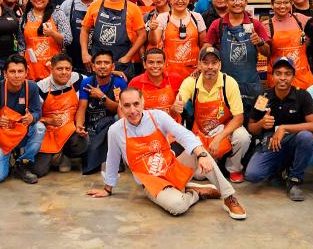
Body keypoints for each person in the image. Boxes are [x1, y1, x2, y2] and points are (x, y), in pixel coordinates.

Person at [86, 87, 247, 220]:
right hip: (151, 182)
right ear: (120, 106)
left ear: (143, 102)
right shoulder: (116, 130)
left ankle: (228, 197)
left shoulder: (158, 116)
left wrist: (201, 155)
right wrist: (107, 189)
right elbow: (112, 159)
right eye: (127, 106)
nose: (133, 110)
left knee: (199, 149)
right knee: (178, 206)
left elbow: (184, 134)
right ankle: (195, 193)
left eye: (136, 104)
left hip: (172, 167)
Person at [244, 57, 313, 201]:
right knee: (252, 175)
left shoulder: (302, 95)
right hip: (270, 143)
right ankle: (279, 170)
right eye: (278, 73)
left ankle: (295, 180)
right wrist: (261, 124)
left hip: (293, 140)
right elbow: (251, 127)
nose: (282, 78)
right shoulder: (264, 98)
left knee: (306, 137)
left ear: (293, 76)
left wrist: (283, 128)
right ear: (273, 76)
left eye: (287, 73)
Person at [174, 45, 251, 183]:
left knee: (243, 137)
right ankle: (215, 163)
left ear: (220, 65)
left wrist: (219, 138)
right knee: (199, 175)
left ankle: (233, 168)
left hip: (224, 132)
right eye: (205, 62)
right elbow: (177, 105)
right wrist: (176, 107)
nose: (210, 67)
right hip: (202, 134)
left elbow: (239, 118)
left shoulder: (229, 83)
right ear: (199, 65)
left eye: (214, 63)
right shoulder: (191, 82)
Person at [205, 0, 271, 108]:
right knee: (227, 120)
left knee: (258, 116)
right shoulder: (218, 24)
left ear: (246, 2)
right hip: (224, 85)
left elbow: (268, 52)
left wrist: (260, 42)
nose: (237, 2)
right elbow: (206, 48)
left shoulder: (255, 24)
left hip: (252, 86)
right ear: (227, 2)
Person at [0, 54, 45, 184]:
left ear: (26, 72)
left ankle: (22, 163)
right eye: (12, 71)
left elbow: (37, 112)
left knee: (40, 127)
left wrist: (32, 117)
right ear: (5, 73)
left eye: (20, 71)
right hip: (3, 137)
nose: (16, 75)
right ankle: (8, 156)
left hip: (22, 133)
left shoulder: (31, 87)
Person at [80, 0, 147, 78]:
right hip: (98, 62)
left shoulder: (133, 8)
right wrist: (84, 53)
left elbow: (142, 35)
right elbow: (84, 29)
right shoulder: (95, 5)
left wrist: (128, 57)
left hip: (122, 63)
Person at [75, 50, 128, 174]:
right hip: (92, 123)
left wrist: (102, 97)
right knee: (90, 163)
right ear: (93, 67)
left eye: (106, 63)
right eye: (99, 63)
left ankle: (117, 158)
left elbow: (120, 109)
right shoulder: (87, 82)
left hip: (110, 123)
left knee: (117, 120)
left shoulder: (119, 82)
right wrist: (79, 126)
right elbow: (82, 108)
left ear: (113, 66)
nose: (103, 66)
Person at [35, 53, 87, 176]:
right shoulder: (41, 87)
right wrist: (49, 120)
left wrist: (114, 73)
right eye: (59, 69)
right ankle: (54, 155)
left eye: (67, 69)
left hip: (69, 129)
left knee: (83, 141)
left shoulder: (77, 78)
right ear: (51, 69)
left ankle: (65, 156)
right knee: (39, 171)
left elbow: (97, 79)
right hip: (48, 132)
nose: (64, 72)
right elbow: (33, 116)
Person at [149, 0, 207, 88]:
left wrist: (201, 65)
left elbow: (204, 45)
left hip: (194, 73)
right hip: (169, 73)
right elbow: (154, 41)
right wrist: (152, 30)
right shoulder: (162, 18)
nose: (180, 0)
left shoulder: (197, 17)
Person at [21, 0, 71, 81]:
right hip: (31, 69)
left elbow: (68, 40)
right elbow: (21, 44)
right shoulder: (25, 16)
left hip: (53, 68)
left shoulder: (57, 14)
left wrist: (52, 33)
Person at [267, 0, 313, 89]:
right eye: (278, 3)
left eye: (286, 2)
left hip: (302, 76)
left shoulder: (301, 19)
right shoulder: (266, 25)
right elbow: (265, 51)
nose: (282, 6)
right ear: (272, 5)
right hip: (279, 78)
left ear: (291, 3)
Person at [59, 0, 98, 75]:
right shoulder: (68, 5)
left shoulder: (102, 5)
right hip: (72, 60)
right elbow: (59, 32)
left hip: (97, 62)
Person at [128, 48, 179, 119]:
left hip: (172, 126)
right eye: (151, 62)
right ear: (144, 64)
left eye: (159, 62)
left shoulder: (176, 79)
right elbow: (127, 108)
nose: (155, 66)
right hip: (145, 126)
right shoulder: (135, 82)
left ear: (164, 64)